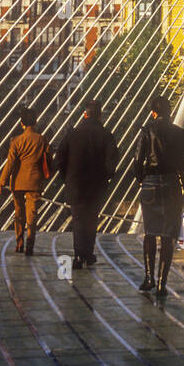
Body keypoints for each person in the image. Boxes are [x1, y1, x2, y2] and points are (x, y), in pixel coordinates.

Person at [133, 95, 184, 297]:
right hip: (171, 185)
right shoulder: (178, 133)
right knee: (167, 236)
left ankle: (148, 277)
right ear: (169, 112)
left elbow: (138, 161)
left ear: (153, 112)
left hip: (150, 183)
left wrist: (142, 180)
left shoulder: (146, 131)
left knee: (150, 231)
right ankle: (161, 284)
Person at [54, 98, 119, 270]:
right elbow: (113, 159)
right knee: (91, 220)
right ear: (100, 116)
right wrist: (107, 175)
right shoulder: (106, 135)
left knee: (78, 221)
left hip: (75, 184)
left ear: (84, 114)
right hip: (97, 185)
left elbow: (59, 158)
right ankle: (88, 254)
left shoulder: (72, 134)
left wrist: (66, 176)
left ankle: (78, 255)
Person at [0, 106, 53, 255]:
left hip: (17, 182)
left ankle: (19, 243)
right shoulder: (41, 139)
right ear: (35, 123)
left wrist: (1, 182)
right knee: (32, 214)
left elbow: (10, 163)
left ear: (22, 124)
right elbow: (48, 159)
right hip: (34, 182)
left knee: (18, 213)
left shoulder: (16, 141)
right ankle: (30, 244)